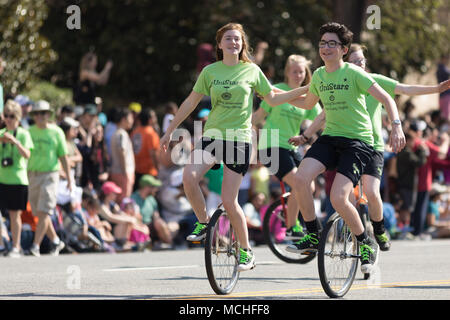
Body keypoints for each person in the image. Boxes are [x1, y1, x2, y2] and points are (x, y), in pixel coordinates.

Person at [160, 22, 309, 271]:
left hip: (239, 139)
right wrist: (170, 130)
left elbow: (272, 97)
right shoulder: (210, 72)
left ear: (243, 44)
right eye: (228, 39)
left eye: (237, 39)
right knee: (189, 176)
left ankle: (246, 251)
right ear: (220, 44)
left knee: (230, 201)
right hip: (213, 135)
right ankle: (203, 222)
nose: (233, 43)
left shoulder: (251, 71)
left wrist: (304, 89)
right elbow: (189, 102)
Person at [294, 43, 450, 250]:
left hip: (372, 145)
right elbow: (322, 115)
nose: (359, 64)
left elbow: (404, 89)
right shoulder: (338, 79)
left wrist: (437, 89)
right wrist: (305, 136)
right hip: (342, 142)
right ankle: (348, 233)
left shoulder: (374, 80)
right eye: (355, 61)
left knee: (371, 191)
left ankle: (378, 229)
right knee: (342, 194)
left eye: (362, 61)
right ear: (347, 62)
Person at [284, 22, 405, 274]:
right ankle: (313, 233)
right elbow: (308, 104)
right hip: (330, 138)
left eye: (332, 44)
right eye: (322, 44)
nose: (325, 48)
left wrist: (396, 125)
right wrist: (275, 95)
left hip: (358, 142)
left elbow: (386, 98)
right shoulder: (318, 75)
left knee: (338, 197)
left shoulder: (354, 73)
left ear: (343, 49)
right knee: (300, 179)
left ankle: (365, 242)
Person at [252, 54, 322, 240]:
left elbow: (320, 120)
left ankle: (290, 217)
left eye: (301, 71)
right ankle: (292, 225)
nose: (298, 75)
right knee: (299, 182)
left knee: (310, 186)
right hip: (270, 146)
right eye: (294, 71)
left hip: (291, 147)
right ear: (287, 72)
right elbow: (258, 116)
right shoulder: (278, 90)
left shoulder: (307, 97)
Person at [27, 100, 72, 257]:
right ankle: (55, 240)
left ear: (48, 114)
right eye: (37, 113)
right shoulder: (29, 131)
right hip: (32, 174)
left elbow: (64, 156)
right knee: (38, 213)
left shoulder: (56, 132)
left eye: (43, 113)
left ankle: (35, 246)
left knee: (44, 211)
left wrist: (70, 179)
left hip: (50, 174)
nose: (40, 116)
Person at [0, 100, 34, 257]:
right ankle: (2, 244)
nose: (8, 119)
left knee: (15, 215)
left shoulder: (23, 133)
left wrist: (15, 141)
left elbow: (27, 154)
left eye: (12, 116)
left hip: (18, 180)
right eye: (6, 115)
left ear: (18, 117)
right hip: (2, 179)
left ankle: (16, 246)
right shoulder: (1, 134)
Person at [131, 174, 172, 247]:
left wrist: (163, 226)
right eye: (154, 187)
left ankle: (169, 245)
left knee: (160, 223)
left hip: (150, 225)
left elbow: (156, 216)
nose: (156, 189)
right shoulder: (132, 199)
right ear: (146, 187)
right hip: (137, 226)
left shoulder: (152, 199)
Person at [110, 108, 135, 203]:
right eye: (130, 118)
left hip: (120, 172)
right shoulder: (121, 134)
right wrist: (125, 173)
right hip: (122, 173)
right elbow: (122, 152)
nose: (132, 121)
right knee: (124, 200)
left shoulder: (117, 133)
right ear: (124, 119)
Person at [131, 108, 160, 190]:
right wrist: (158, 169)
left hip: (136, 169)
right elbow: (153, 154)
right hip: (149, 172)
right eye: (154, 117)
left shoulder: (135, 131)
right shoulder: (151, 133)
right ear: (150, 120)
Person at [437, 54, 450, 121]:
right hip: (446, 94)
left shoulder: (439, 68)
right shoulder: (443, 69)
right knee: (446, 115)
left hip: (442, 94)